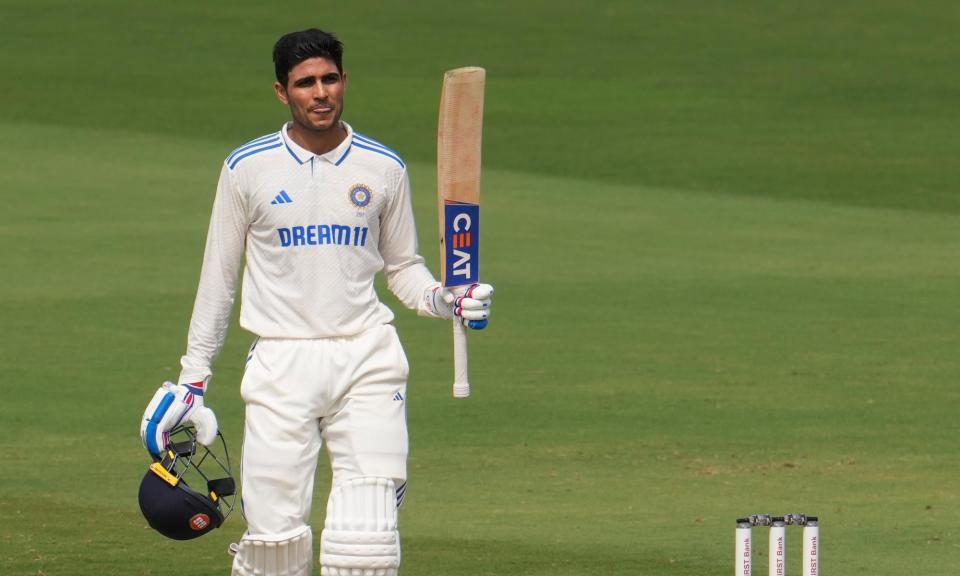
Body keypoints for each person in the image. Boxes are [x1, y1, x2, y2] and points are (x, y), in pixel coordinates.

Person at [139, 28, 494, 576]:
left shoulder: (383, 167)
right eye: (306, 83)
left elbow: (401, 267)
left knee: (366, 543)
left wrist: (444, 298)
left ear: (344, 81)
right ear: (283, 92)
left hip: (368, 358)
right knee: (273, 547)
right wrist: (192, 378)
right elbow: (218, 279)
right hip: (282, 361)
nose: (321, 92)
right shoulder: (247, 169)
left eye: (330, 79)